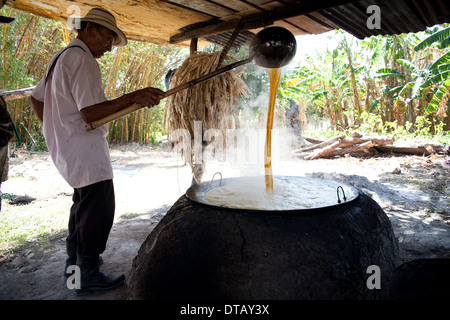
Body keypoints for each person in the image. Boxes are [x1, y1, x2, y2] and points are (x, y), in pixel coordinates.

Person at [29, 7, 164, 296]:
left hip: (69, 148)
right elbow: (90, 113)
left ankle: (74, 269)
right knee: (98, 210)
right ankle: (87, 274)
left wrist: (56, 128)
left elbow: (35, 99)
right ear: (91, 29)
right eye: (108, 39)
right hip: (85, 150)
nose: (109, 47)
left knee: (82, 207)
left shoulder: (61, 56)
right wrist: (133, 96)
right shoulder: (82, 59)